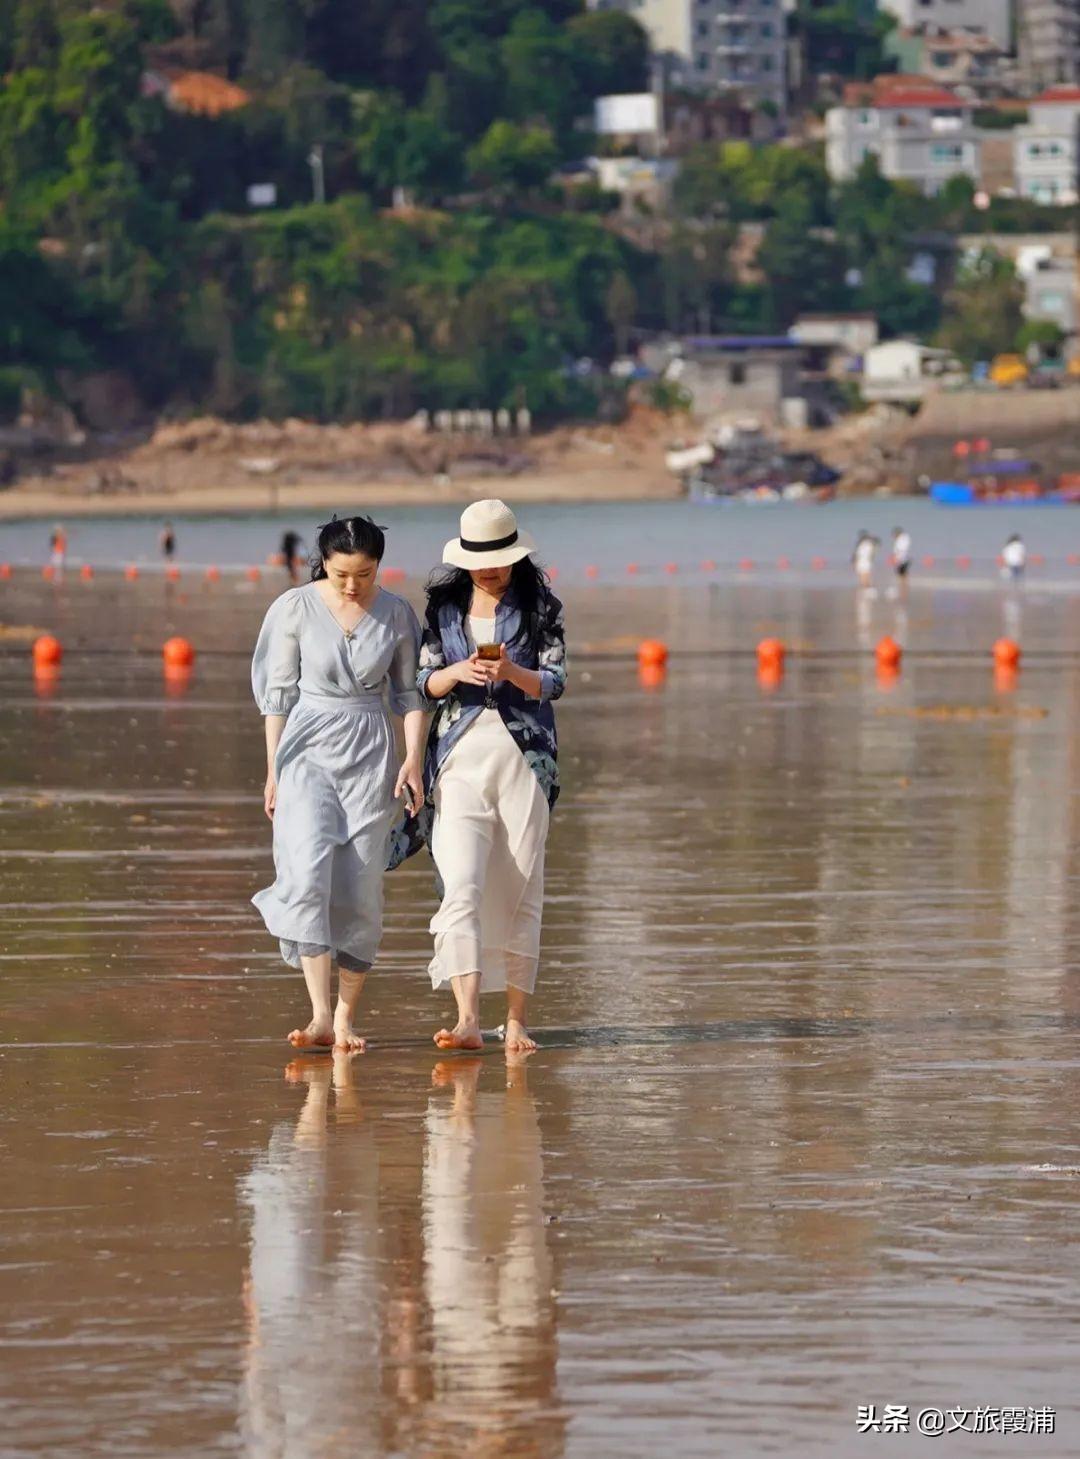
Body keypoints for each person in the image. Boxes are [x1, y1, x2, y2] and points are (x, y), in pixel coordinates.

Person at [251, 515, 425, 1052]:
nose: (353, 585)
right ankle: (319, 1014)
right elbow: (277, 696)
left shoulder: (396, 613)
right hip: (305, 747)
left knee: (359, 885)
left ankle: (346, 1018)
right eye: (343, 573)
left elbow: (409, 695)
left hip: (371, 750)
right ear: (323, 562)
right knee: (304, 872)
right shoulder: (294, 608)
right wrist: (273, 769)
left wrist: (413, 759)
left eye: (365, 574)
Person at [417, 499, 567, 1055]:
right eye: (481, 560)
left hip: (526, 760)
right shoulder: (444, 608)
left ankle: (518, 1022)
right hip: (457, 760)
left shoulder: (540, 606)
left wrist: (511, 672)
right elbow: (422, 682)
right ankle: (466, 1020)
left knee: (524, 886)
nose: (490, 570)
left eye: (501, 559)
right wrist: (457, 671)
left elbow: (556, 681)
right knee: (462, 886)